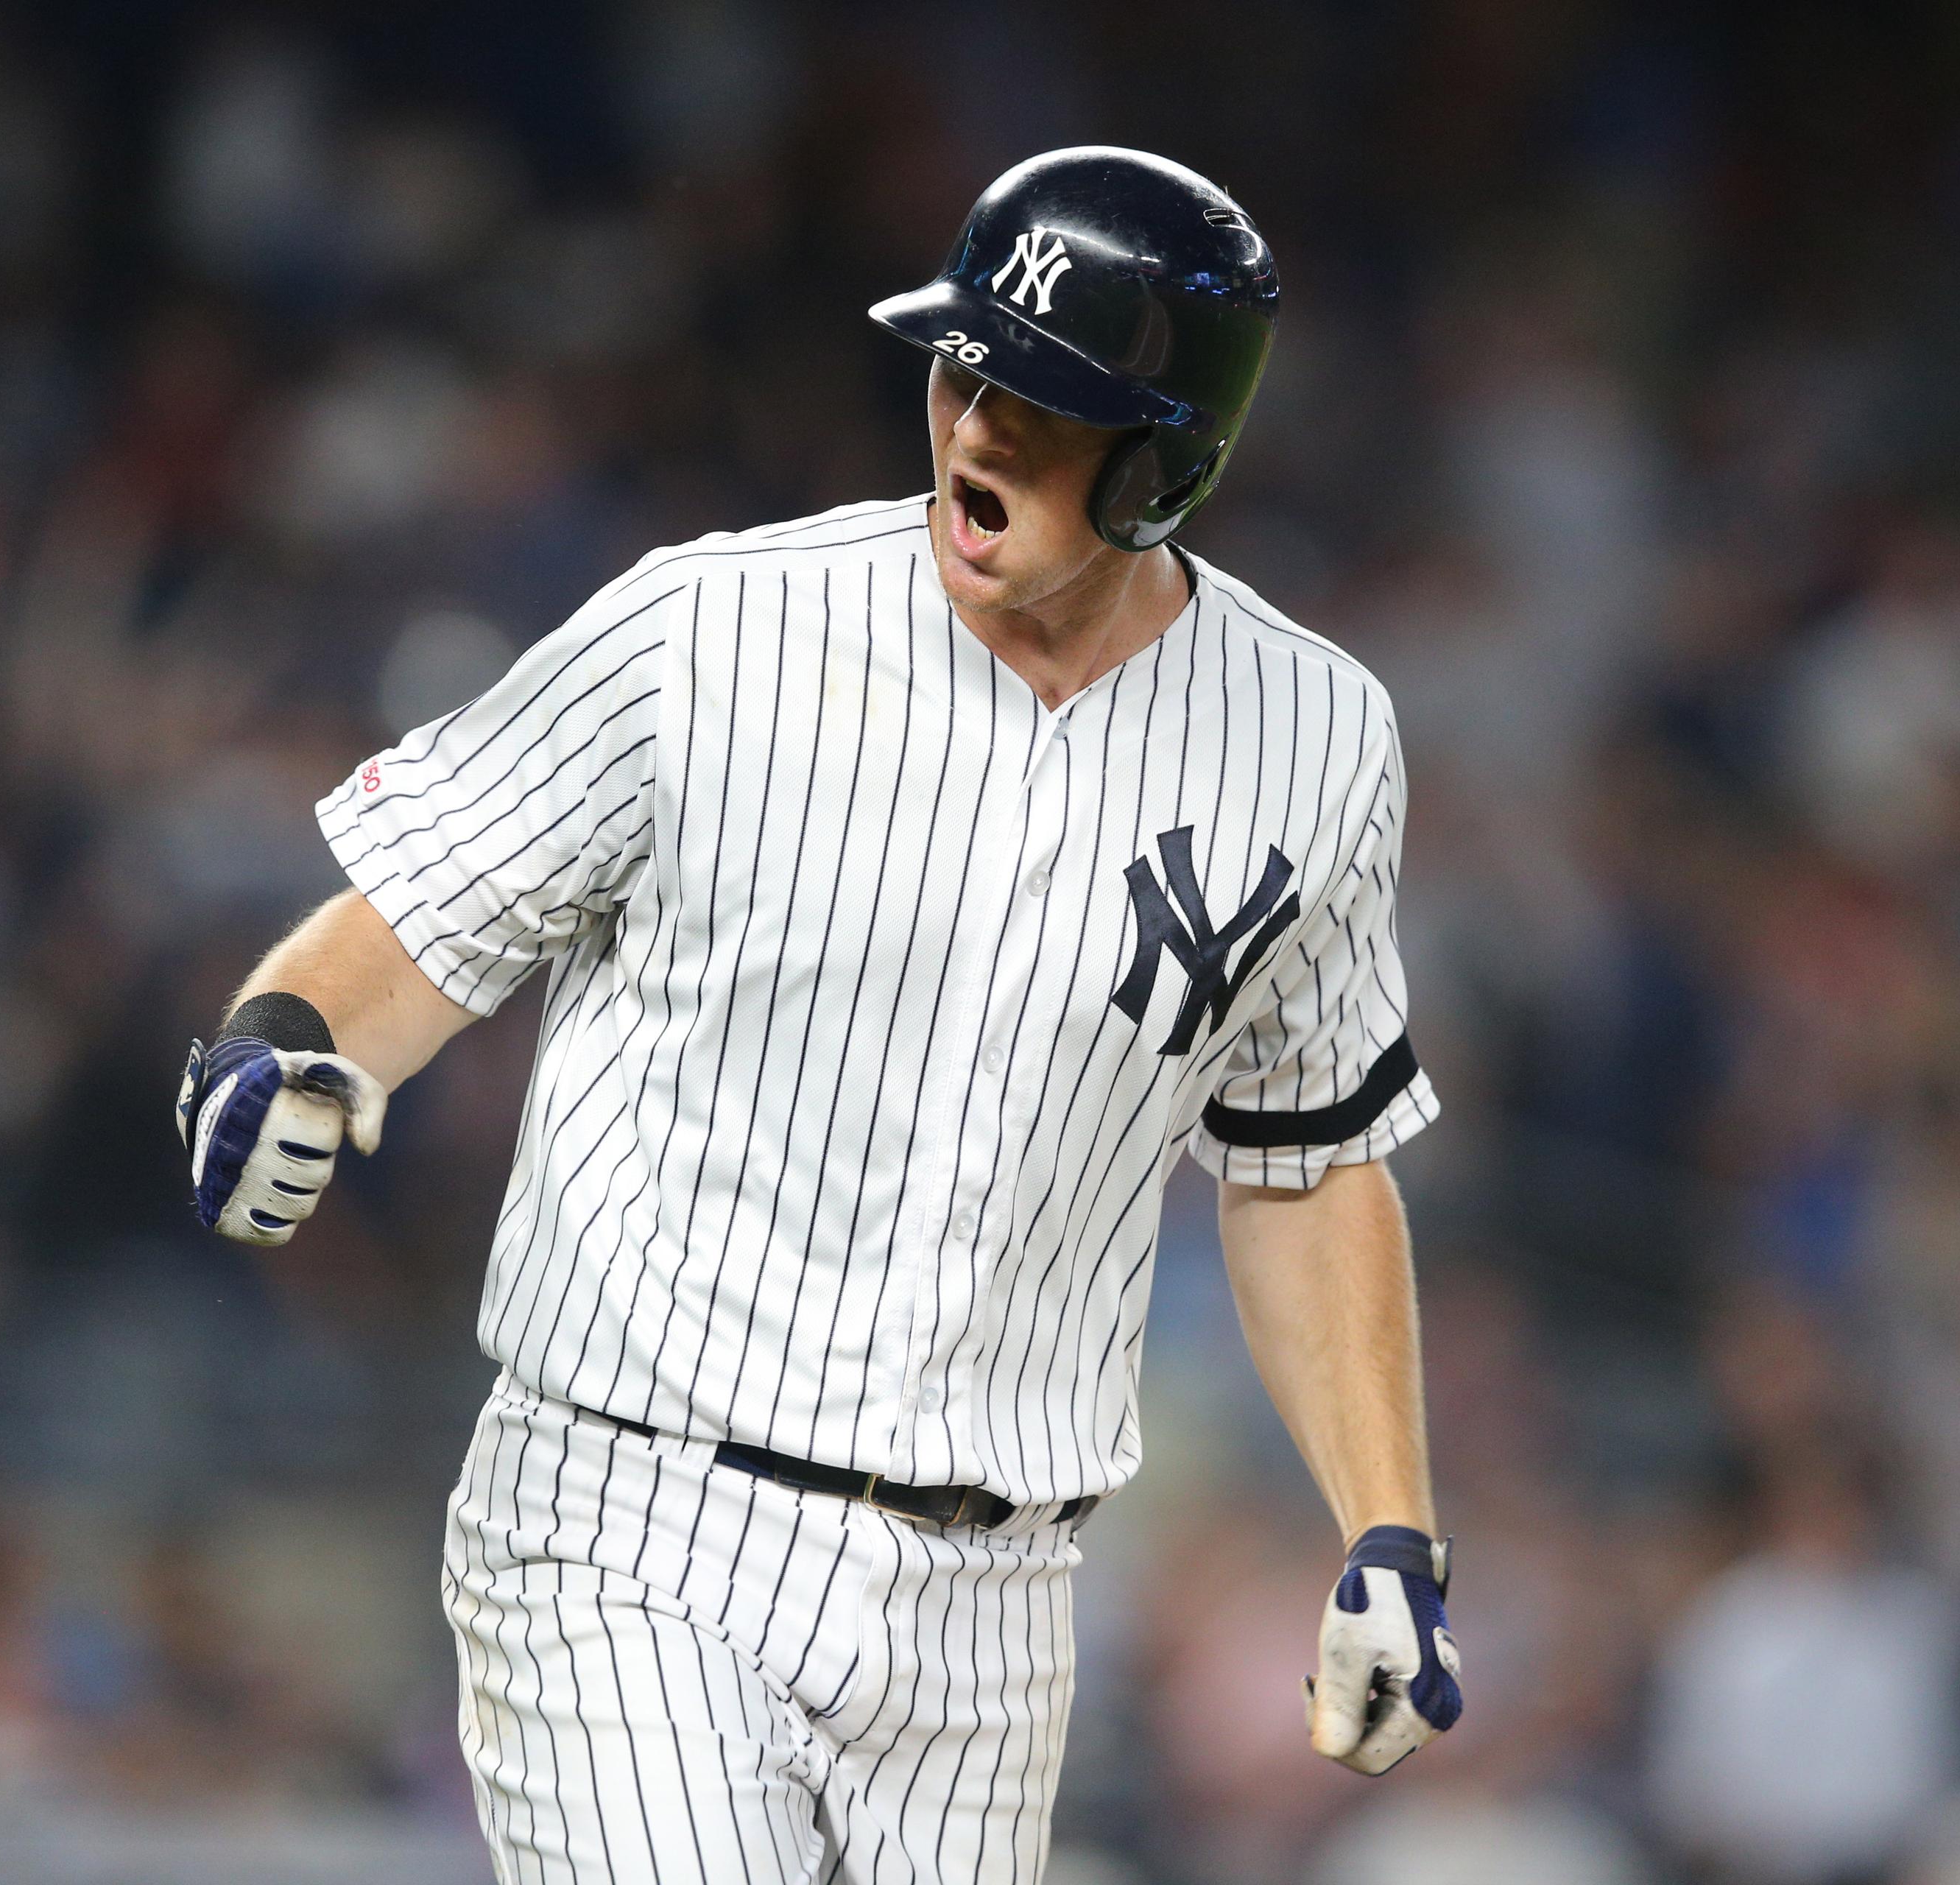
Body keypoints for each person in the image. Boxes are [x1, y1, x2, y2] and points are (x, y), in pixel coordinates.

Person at [175, 145, 1461, 1883]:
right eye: (966, 370)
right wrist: (278, 1039)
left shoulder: (1316, 739)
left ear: (1168, 464)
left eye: (1048, 405)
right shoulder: (714, 629)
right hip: (632, 1524)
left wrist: (1390, 1525)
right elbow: (415, 922)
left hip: (995, 1615)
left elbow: (1305, 1160)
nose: (980, 429)